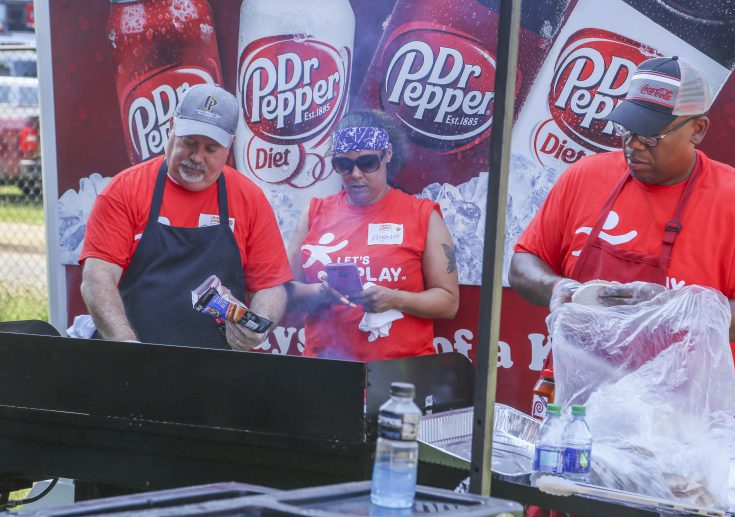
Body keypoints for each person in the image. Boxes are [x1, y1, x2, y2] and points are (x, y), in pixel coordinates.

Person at [508, 56, 735, 375]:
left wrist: (683, 310)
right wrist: (559, 289)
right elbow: (522, 264)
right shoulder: (585, 177)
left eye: (649, 137)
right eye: (626, 130)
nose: (632, 146)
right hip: (571, 394)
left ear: (697, 130)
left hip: (677, 410)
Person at [80, 84, 291, 351]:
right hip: (135, 361)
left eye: (211, 149)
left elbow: (271, 286)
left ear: (230, 146)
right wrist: (125, 346)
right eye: (189, 143)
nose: (196, 157)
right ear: (172, 127)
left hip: (217, 369)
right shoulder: (124, 191)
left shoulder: (249, 198)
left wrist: (258, 327)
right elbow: (97, 278)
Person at [286, 110, 459, 361]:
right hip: (326, 369)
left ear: (387, 154)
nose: (356, 174)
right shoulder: (314, 213)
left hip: (401, 373)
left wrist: (395, 299)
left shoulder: (423, 215)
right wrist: (320, 293)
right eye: (344, 165)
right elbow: (282, 292)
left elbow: (449, 302)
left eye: (367, 163)